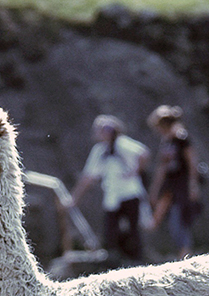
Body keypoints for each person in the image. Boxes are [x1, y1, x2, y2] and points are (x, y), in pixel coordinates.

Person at [69, 115, 150, 262]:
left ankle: (137, 260)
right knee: (110, 231)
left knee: (133, 230)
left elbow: (143, 153)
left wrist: (135, 172)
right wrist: (75, 197)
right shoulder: (100, 151)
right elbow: (88, 176)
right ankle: (114, 261)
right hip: (112, 196)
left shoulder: (123, 144)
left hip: (130, 193)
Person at [147, 105, 201, 259]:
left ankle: (185, 254)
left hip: (182, 186)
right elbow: (162, 168)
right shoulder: (166, 142)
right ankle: (181, 253)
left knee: (180, 221)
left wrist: (193, 185)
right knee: (173, 223)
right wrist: (155, 190)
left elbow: (192, 163)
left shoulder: (181, 139)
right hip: (170, 186)